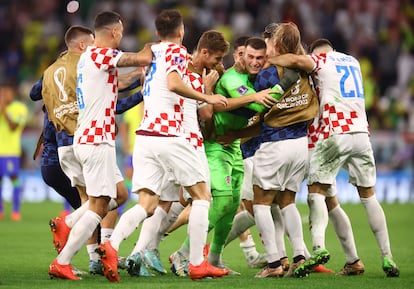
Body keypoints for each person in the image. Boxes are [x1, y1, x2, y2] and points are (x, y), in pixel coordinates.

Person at [97, 9, 229, 282]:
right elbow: (173, 83)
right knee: (203, 197)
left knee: (147, 204)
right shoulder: (177, 53)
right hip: (169, 135)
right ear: (181, 33)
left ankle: (111, 245)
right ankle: (196, 263)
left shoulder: (150, 56)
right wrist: (208, 97)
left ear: (157, 33)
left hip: (144, 137)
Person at [268, 37, 400, 278]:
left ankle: (318, 247)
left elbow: (297, 60)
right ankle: (385, 256)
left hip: (334, 133)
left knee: (316, 191)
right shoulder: (353, 62)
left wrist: (271, 57)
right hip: (361, 134)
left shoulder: (321, 59)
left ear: (317, 53)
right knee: (368, 197)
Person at [47, 12, 153, 281]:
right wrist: (155, 49)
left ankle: (67, 224)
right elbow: (138, 58)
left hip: (91, 138)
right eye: (121, 32)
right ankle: (63, 260)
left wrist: (140, 80)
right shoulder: (99, 54)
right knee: (99, 206)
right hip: (95, 140)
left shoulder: (90, 60)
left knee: (116, 194)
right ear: (115, 32)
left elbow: (118, 82)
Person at [0, 81, 28, 221]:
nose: (4, 96)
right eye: (2, 93)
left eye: (6, 93)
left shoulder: (20, 108)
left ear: (13, 93)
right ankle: (0, 210)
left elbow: (13, 127)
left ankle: (16, 210)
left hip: (11, 152)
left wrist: (4, 110)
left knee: (14, 179)